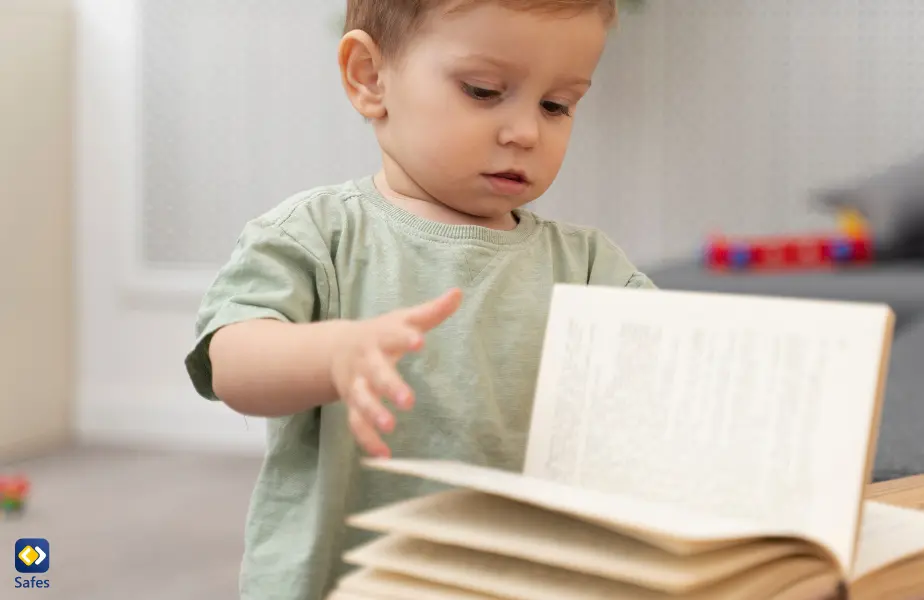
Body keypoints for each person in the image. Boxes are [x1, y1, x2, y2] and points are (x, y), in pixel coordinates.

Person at [183, 0, 654, 597]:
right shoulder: (315, 235)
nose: (526, 131)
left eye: (556, 104)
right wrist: (332, 353)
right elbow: (231, 364)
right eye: (483, 91)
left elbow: (672, 356)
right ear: (370, 78)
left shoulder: (588, 265)